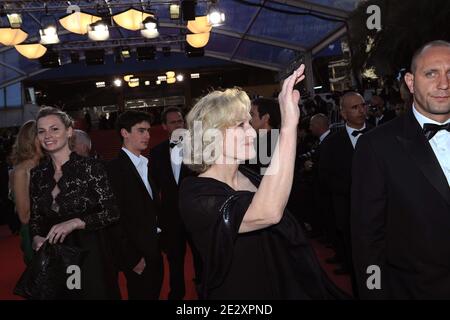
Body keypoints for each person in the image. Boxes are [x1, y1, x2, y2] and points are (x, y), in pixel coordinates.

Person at [179, 65, 347, 299]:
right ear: (211, 135)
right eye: (240, 126)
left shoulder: (252, 176)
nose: (252, 133)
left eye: (249, 123)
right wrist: (288, 125)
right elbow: (267, 212)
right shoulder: (195, 194)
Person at [352, 40, 450, 299]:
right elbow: (367, 239)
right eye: (431, 73)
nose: (444, 84)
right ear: (410, 81)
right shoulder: (376, 145)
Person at [30, 107, 120, 299]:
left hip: (90, 252)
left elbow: (112, 212)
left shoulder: (91, 167)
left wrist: (75, 222)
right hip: (55, 255)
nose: (47, 135)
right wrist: (37, 237)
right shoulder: (37, 174)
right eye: (41, 131)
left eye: (54, 129)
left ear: (69, 131)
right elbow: (36, 218)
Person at [319, 92, 372, 297]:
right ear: (343, 113)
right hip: (348, 213)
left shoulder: (381, 135)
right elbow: (324, 177)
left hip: (384, 212)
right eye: (354, 107)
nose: (361, 110)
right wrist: (352, 188)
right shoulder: (332, 143)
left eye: (363, 105)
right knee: (357, 264)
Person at [106, 110, 163, 300]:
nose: (147, 135)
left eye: (148, 130)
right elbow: (114, 218)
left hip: (153, 249)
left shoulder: (146, 164)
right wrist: (131, 258)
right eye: (141, 130)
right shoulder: (114, 169)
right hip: (136, 255)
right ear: (124, 133)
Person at [149, 107, 196, 300]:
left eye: (180, 121)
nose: (179, 125)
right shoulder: (157, 152)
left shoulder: (198, 148)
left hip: (196, 215)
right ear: (164, 126)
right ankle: (176, 295)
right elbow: (153, 187)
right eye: (173, 122)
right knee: (175, 261)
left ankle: (206, 291)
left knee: (202, 257)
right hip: (171, 218)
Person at [8, 120, 43, 265]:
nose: (48, 138)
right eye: (42, 133)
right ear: (31, 140)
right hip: (34, 235)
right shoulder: (22, 171)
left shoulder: (46, 164)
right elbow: (24, 217)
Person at [246, 97, 281, 174]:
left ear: (265, 118)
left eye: (252, 114)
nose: (248, 118)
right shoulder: (256, 138)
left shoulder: (275, 143)